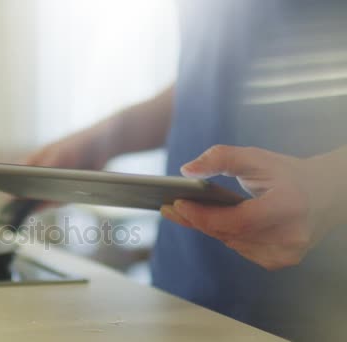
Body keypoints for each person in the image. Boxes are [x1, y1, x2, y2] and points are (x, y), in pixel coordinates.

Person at [24, 1, 347, 340]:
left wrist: (333, 184)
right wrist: (110, 136)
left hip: (318, 300)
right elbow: (209, 77)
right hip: (182, 283)